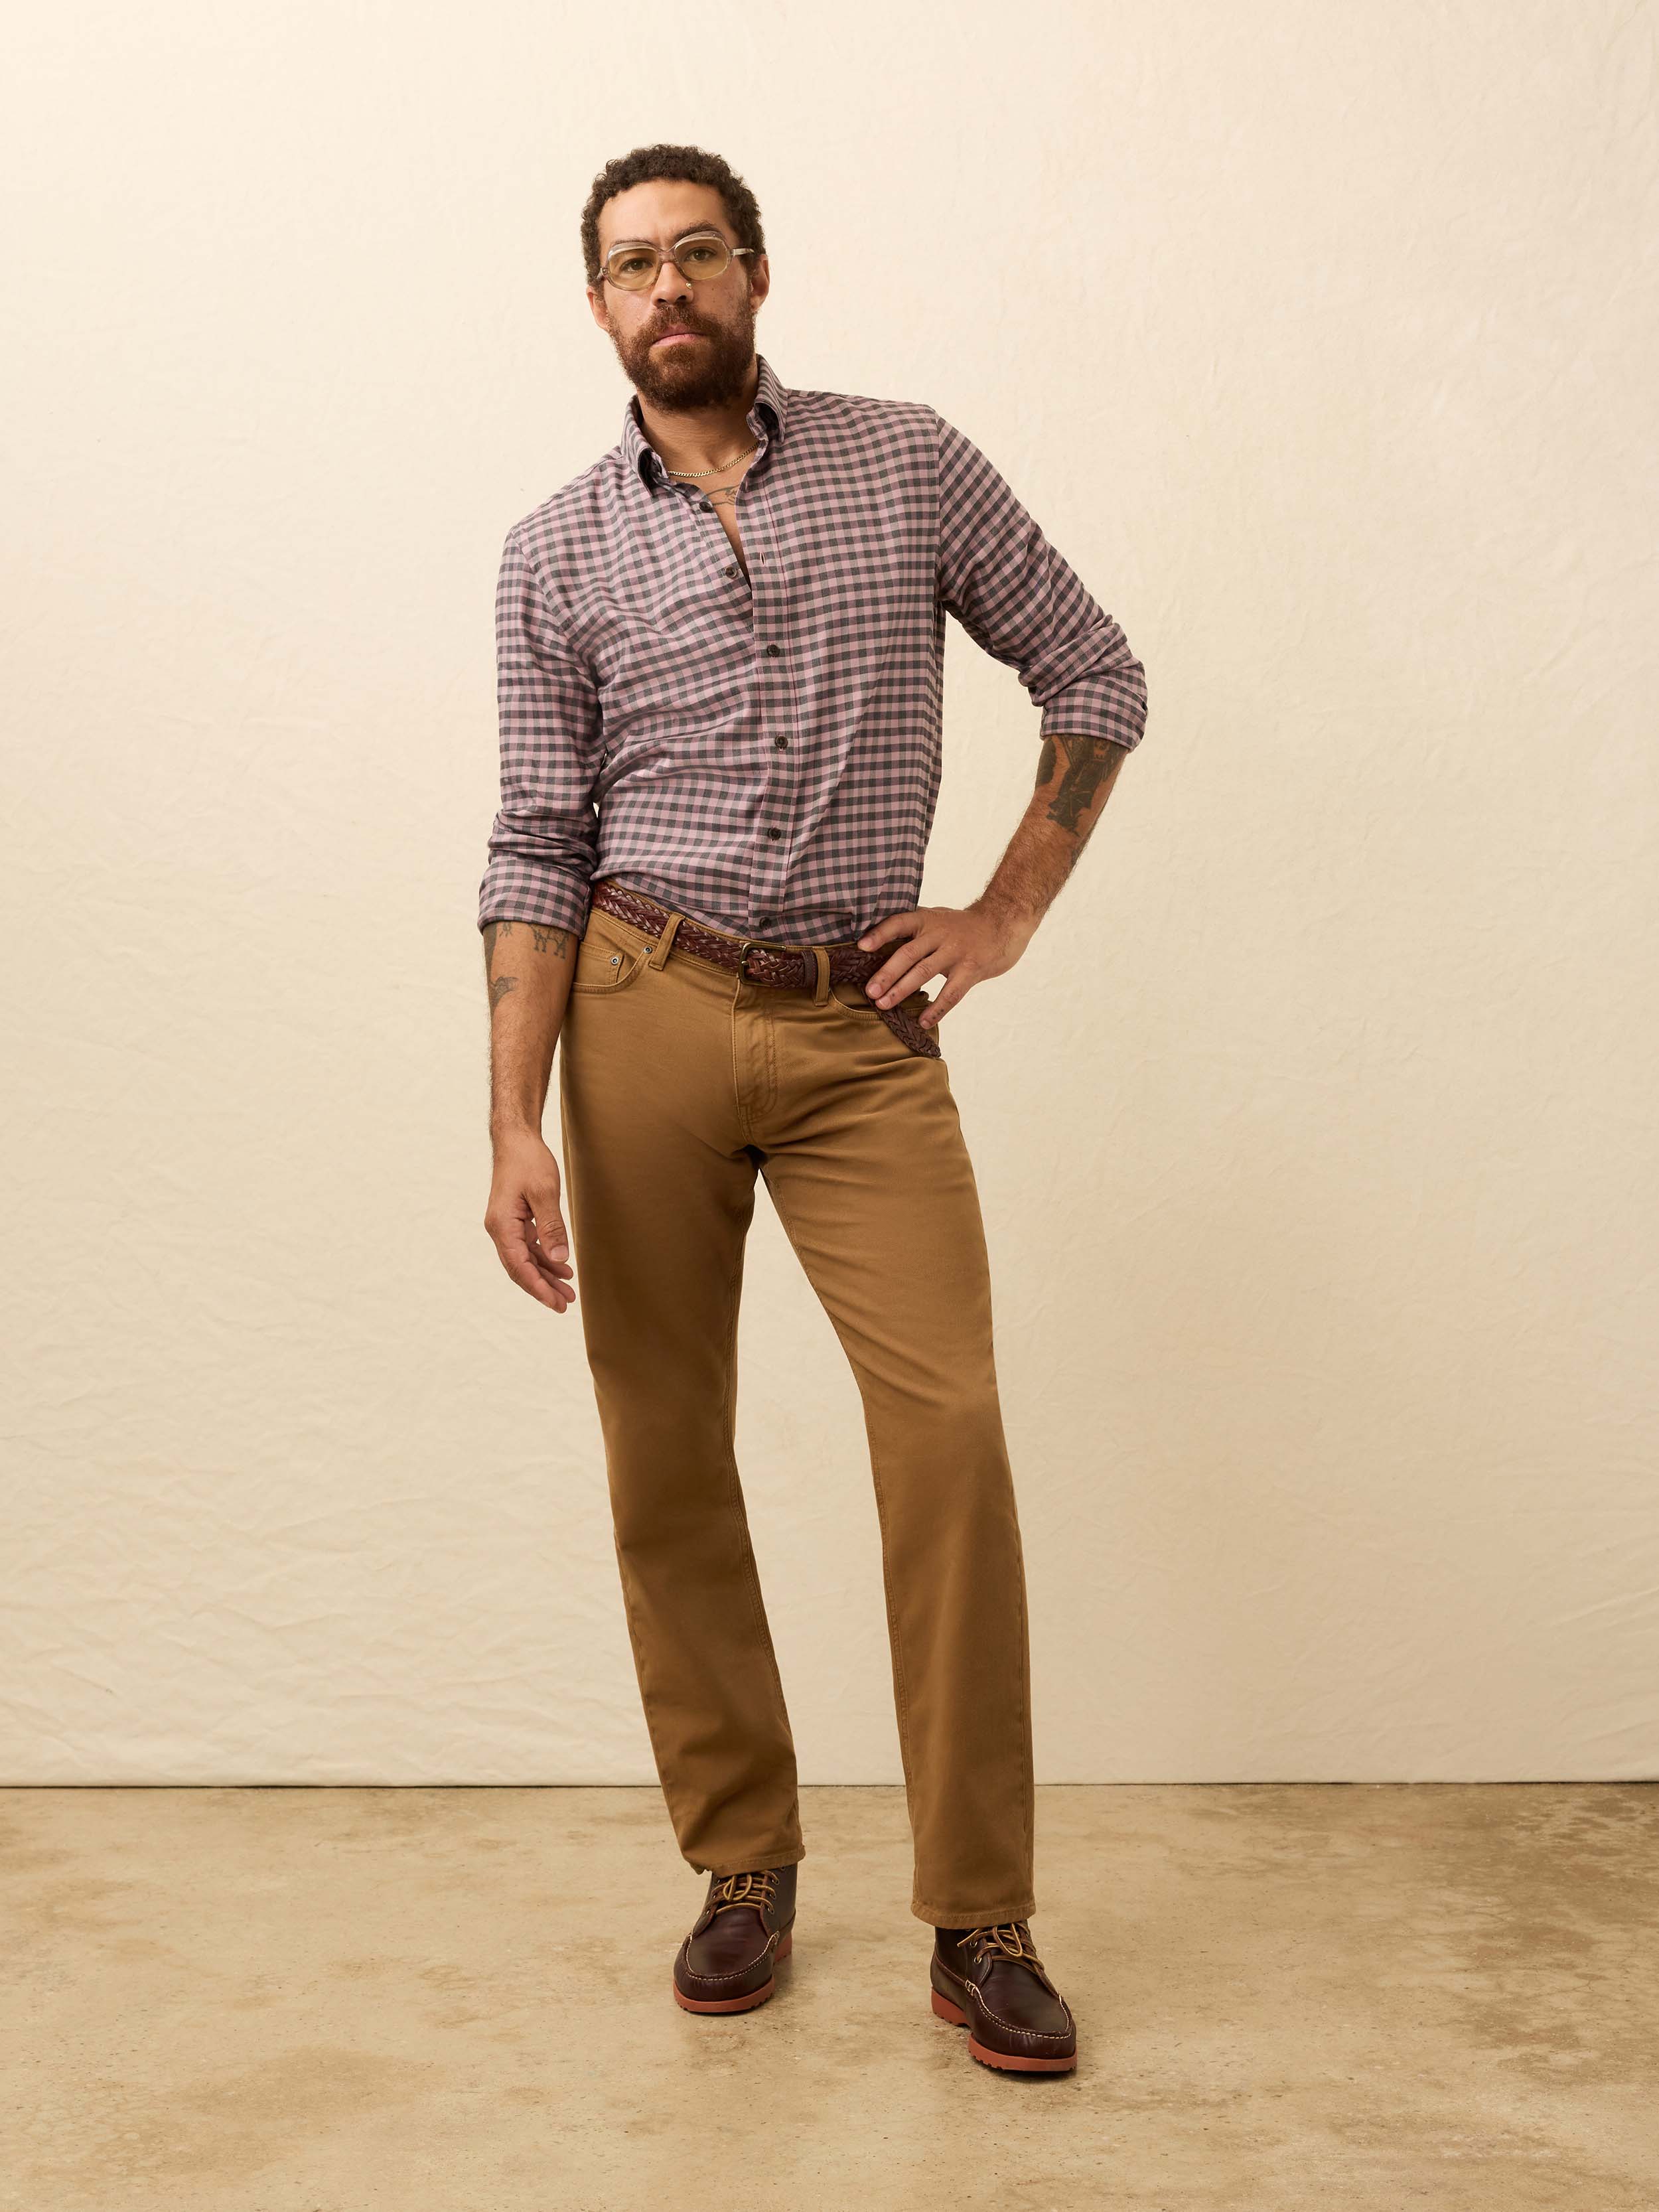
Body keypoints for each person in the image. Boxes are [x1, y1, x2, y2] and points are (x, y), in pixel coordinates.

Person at [478, 142, 1147, 2077]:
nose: (665, 288)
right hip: (639, 1009)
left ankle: (981, 1917)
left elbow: (1092, 670)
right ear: (596, 307)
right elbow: (533, 834)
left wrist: (1003, 913)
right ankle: (743, 1868)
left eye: (696, 253)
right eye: (628, 266)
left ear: (756, 275)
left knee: (947, 1434)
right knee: (664, 1449)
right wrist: (514, 1121)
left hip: (860, 1031)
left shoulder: (910, 463)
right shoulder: (551, 551)